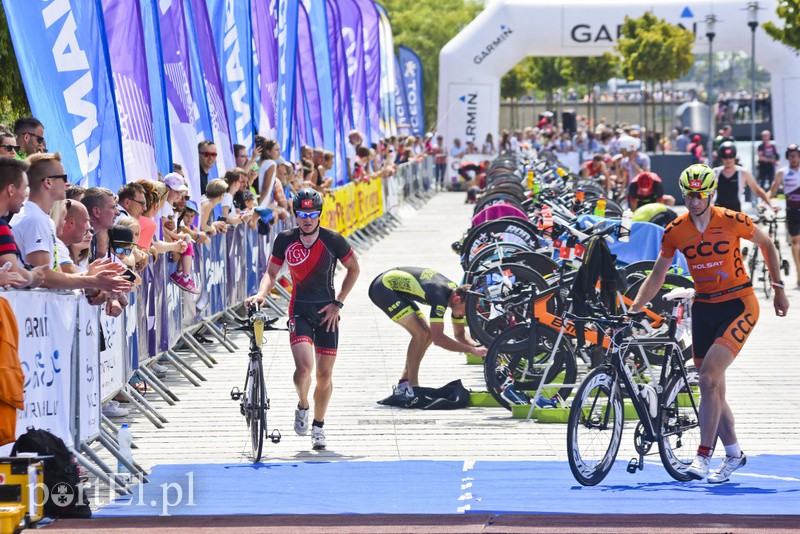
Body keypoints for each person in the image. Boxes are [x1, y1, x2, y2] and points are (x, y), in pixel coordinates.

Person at [631, 164, 789, 483]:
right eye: (689, 195)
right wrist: (635, 307)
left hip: (739, 304)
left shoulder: (731, 219)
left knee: (707, 378)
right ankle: (733, 454)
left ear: (711, 193)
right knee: (713, 386)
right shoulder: (676, 229)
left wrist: (778, 289)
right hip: (703, 307)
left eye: (700, 195)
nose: (694, 201)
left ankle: (703, 456)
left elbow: (768, 244)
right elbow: (658, 274)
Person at [245, 188, 360, 450]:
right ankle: (303, 404)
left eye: (312, 214)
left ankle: (318, 426)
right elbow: (270, 273)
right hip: (299, 309)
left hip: (327, 313)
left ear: (319, 214)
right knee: (305, 368)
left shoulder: (333, 240)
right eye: (301, 214)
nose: (307, 219)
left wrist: (338, 302)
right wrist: (261, 293)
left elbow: (354, 268)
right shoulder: (285, 239)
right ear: (295, 215)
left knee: (324, 375)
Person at [368, 267, 486, 397]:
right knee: (421, 334)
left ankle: (403, 386)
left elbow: (460, 335)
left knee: (427, 334)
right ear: (457, 300)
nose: (466, 314)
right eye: (466, 310)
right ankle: (413, 388)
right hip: (383, 288)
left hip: (395, 288)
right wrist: (470, 350)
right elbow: (439, 339)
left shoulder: (456, 296)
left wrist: (479, 347)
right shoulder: (440, 297)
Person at [768, 143, 800, 287]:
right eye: (791, 156)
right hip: (792, 212)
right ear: (787, 157)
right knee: (795, 244)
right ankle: (799, 274)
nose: (794, 159)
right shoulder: (782, 172)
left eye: (796, 156)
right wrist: (766, 203)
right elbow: (772, 191)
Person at [713, 142, 773, 212]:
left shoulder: (743, 173)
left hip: (735, 213)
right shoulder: (716, 172)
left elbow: (758, 190)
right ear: (721, 158)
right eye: (725, 157)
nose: (728, 160)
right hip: (719, 213)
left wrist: (771, 205)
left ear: (735, 157)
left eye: (731, 156)